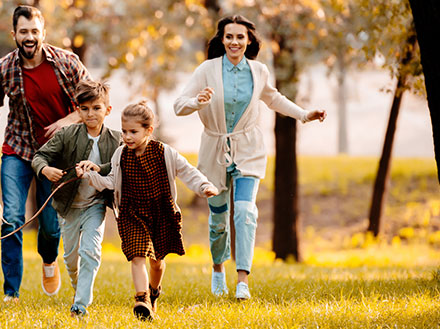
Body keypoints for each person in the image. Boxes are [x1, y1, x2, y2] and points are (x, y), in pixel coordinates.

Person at [173, 15, 326, 300]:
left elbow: (274, 99)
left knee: (245, 212)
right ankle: (218, 269)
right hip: (214, 150)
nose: (234, 42)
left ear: (249, 41)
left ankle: (242, 280)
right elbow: (178, 105)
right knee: (219, 219)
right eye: (229, 36)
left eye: (240, 37)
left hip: (249, 150)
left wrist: (304, 114)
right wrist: (197, 102)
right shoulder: (206, 70)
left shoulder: (258, 71)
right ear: (221, 40)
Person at [0, 5, 91, 302]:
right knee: (13, 217)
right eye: (23, 32)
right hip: (18, 150)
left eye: (34, 32)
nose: (29, 37)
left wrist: (66, 121)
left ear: (43, 33)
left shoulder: (68, 63)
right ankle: (11, 292)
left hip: (57, 156)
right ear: (14, 34)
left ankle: (48, 259)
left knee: (51, 227)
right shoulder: (2, 68)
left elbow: (96, 101)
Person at [82, 101, 218, 320]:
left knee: (156, 262)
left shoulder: (165, 152)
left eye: (133, 132)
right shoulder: (120, 155)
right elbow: (110, 181)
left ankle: (154, 292)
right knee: (137, 256)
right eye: (124, 131)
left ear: (149, 130)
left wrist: (204, 186)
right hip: (132, 212)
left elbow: (187, 171)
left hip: (160, 212)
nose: (127, 136)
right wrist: (90, 176)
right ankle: (141, 298)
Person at [31, 80, 122, 317]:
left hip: (96, 205)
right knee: (71, 260)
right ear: (78, 109)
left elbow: (118, 166)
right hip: (68, 206)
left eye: (96, 108)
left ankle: (80, 306)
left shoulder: (117, 139)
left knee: (90, 251)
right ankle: (77, 288)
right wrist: (45, 170)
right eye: (85, 108)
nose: (91, 113)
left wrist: (97, 168)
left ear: (107, 110)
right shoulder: (67, 134)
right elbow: (39, 156)